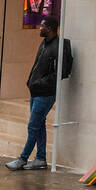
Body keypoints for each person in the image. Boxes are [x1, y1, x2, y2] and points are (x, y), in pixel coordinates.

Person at [5, 17, 73, 173]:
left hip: (46, 93)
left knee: (33, 126)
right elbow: (37, 66)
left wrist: (39, 83)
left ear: (49, 28)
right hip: (36, 91)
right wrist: (31, 82)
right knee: (39, 125)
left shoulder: (60, 46)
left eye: (42, 26)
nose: (39, 29)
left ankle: (22, 159)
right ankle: (40, 159)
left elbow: (60, 72)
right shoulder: (44, 44)